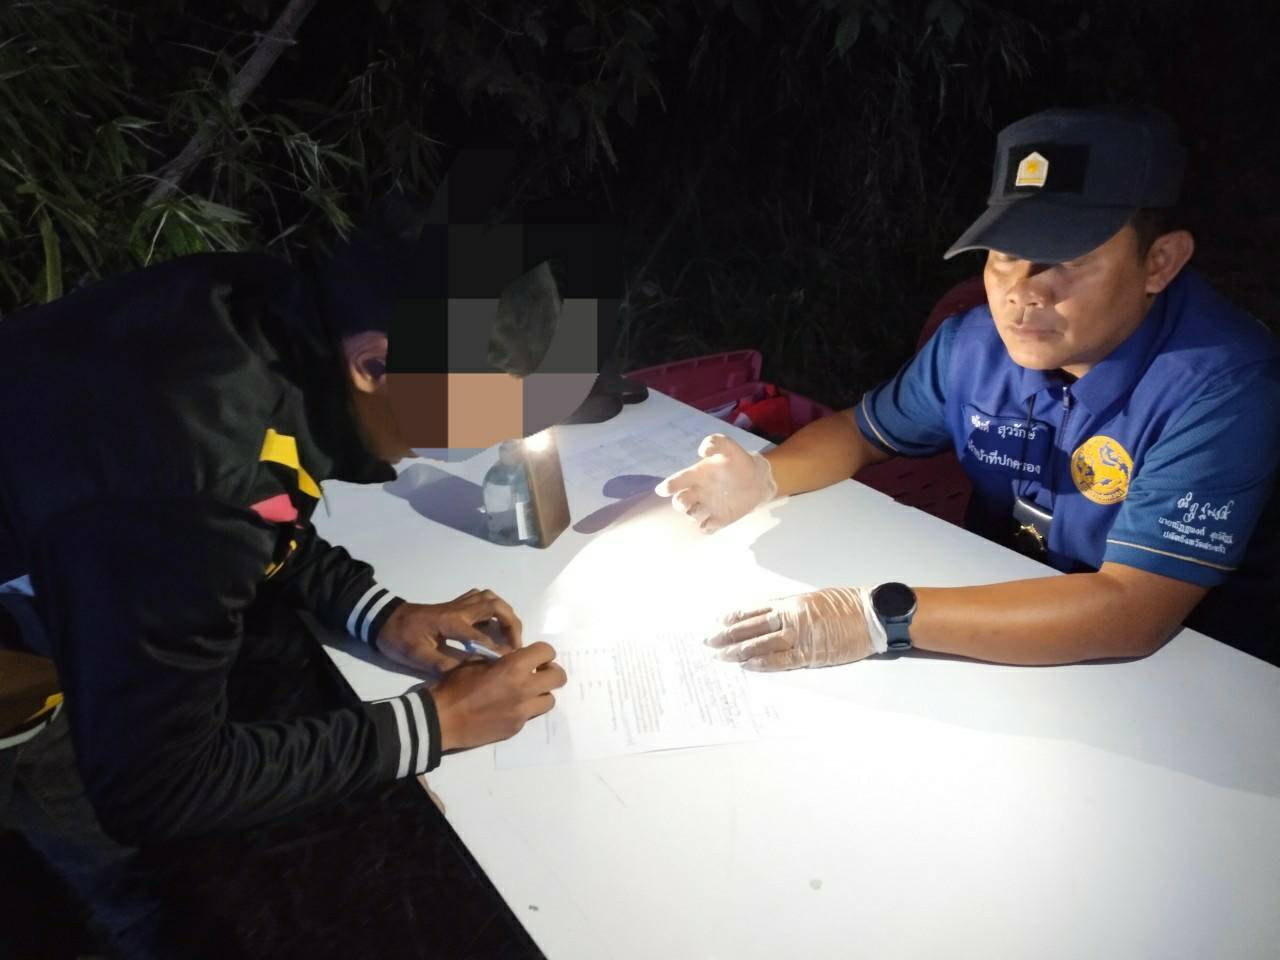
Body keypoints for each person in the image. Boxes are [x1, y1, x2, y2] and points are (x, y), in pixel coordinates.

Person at [0, 228, 566, 949]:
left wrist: (376, 612)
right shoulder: (188, 485)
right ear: (376, 364)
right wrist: (436, 722)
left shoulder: (257, 316)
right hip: (19, 658)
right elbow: (157, 786)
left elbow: (260, 491)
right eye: (492, 408)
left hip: (61, 553)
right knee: (108, 865)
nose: (500, 434)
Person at [655, 107, 1280, 668]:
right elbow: (860, 433)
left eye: (1067, 260)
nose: (1022, 292)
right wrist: (766, 476)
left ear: (1159, 263)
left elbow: (1133, 611)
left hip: (1198, 664)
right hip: (996, 606)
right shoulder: (974, 345)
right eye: (1004, 254)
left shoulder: (1224, 387)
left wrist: (879, 618)